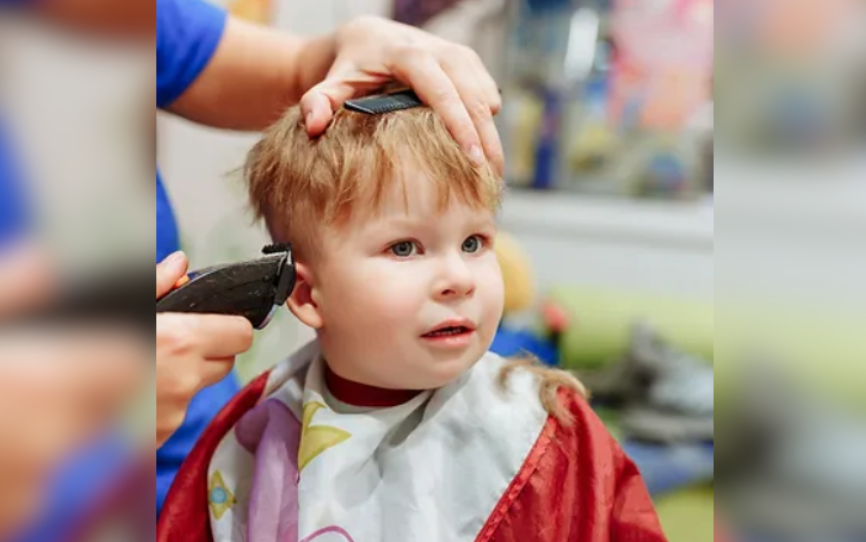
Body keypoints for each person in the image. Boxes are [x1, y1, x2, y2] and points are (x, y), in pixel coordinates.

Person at [156, 102, 667, 542]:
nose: (458, 278)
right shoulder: (256, 432)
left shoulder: (544, 429)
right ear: (310, 295)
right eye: (404, 247)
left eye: (474, 243)